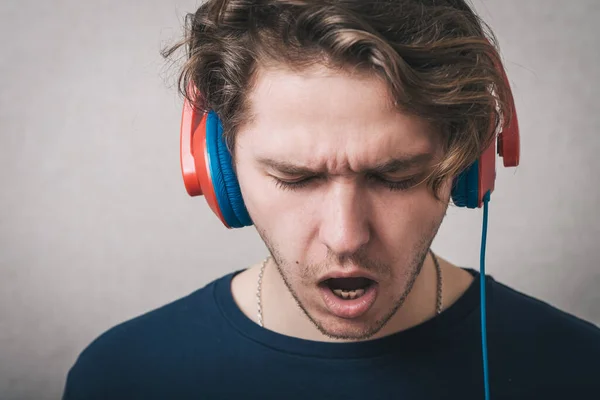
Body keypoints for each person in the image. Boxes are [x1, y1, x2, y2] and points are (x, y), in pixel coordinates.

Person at [62, 1, 600, 399]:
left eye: (395, 176)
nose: (346, 237)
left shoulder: (578, 369)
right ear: (217, 169)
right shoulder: (121, 377)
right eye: (296, 179)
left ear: (469, 162)